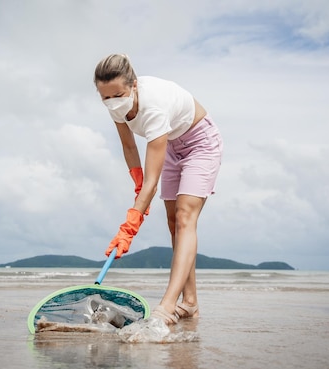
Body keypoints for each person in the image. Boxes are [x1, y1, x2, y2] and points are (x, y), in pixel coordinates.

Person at [94, 54, 223, 325]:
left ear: (134, 85)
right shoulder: (115, 105)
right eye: (105, 97)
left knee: (186, 217)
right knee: (173, 220)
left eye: (118, 95)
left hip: (200, 143)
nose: (113, 102)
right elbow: (129, 146)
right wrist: (137, 181)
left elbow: (153, 183)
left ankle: (167, 305)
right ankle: (190, 303)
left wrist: (128, 227)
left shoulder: (153, 108)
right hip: (171, 145)